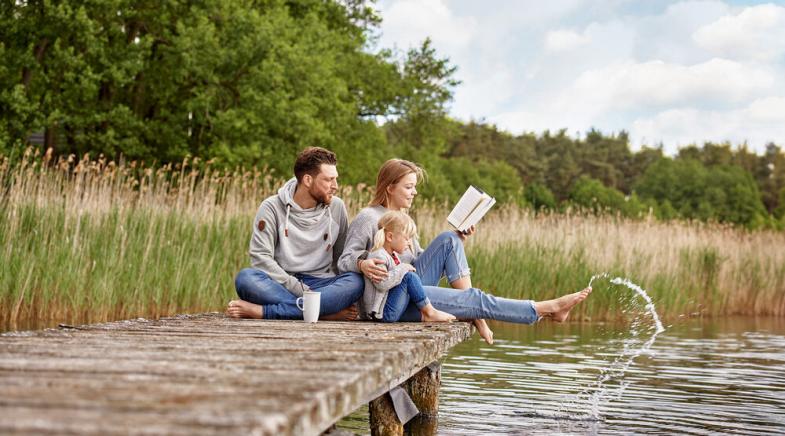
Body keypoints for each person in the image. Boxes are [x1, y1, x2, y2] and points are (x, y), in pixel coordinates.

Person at [338, 158, 592, 337]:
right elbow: (344, 261)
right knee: (476, 298)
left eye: (415, 186)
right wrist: (362, 264)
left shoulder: (404, 220)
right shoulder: (369, 218)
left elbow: (417, 259)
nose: (414, 192)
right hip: (392, 300)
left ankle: (474, 310)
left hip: (412, 286)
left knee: (450, 239)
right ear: (390, 187)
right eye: (408, 186)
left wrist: (460, 238)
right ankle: (545, 309)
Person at [226, 147, 363, 320]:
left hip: (321, 283)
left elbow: (341, 258)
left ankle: (265, 312)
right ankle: (323, 313)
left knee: (355, 282)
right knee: (246, 278)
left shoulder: (337, 207)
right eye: (329, 180)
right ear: (307, 180)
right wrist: (301, 290)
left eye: (336, 179)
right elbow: (261, 258)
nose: (335, 186)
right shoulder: (271, 207)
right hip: (282, 282)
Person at [362, 210, 456, 323]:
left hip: (388, 310)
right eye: (407, 238)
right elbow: (382, 284)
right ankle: (430, 312)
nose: (410, 243)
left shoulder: (393, 255)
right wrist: (403, 268)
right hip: (382, 313)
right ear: (390, 237)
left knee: (419, 309)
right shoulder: (378, 255)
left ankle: (430, 316)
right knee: (409, 277)